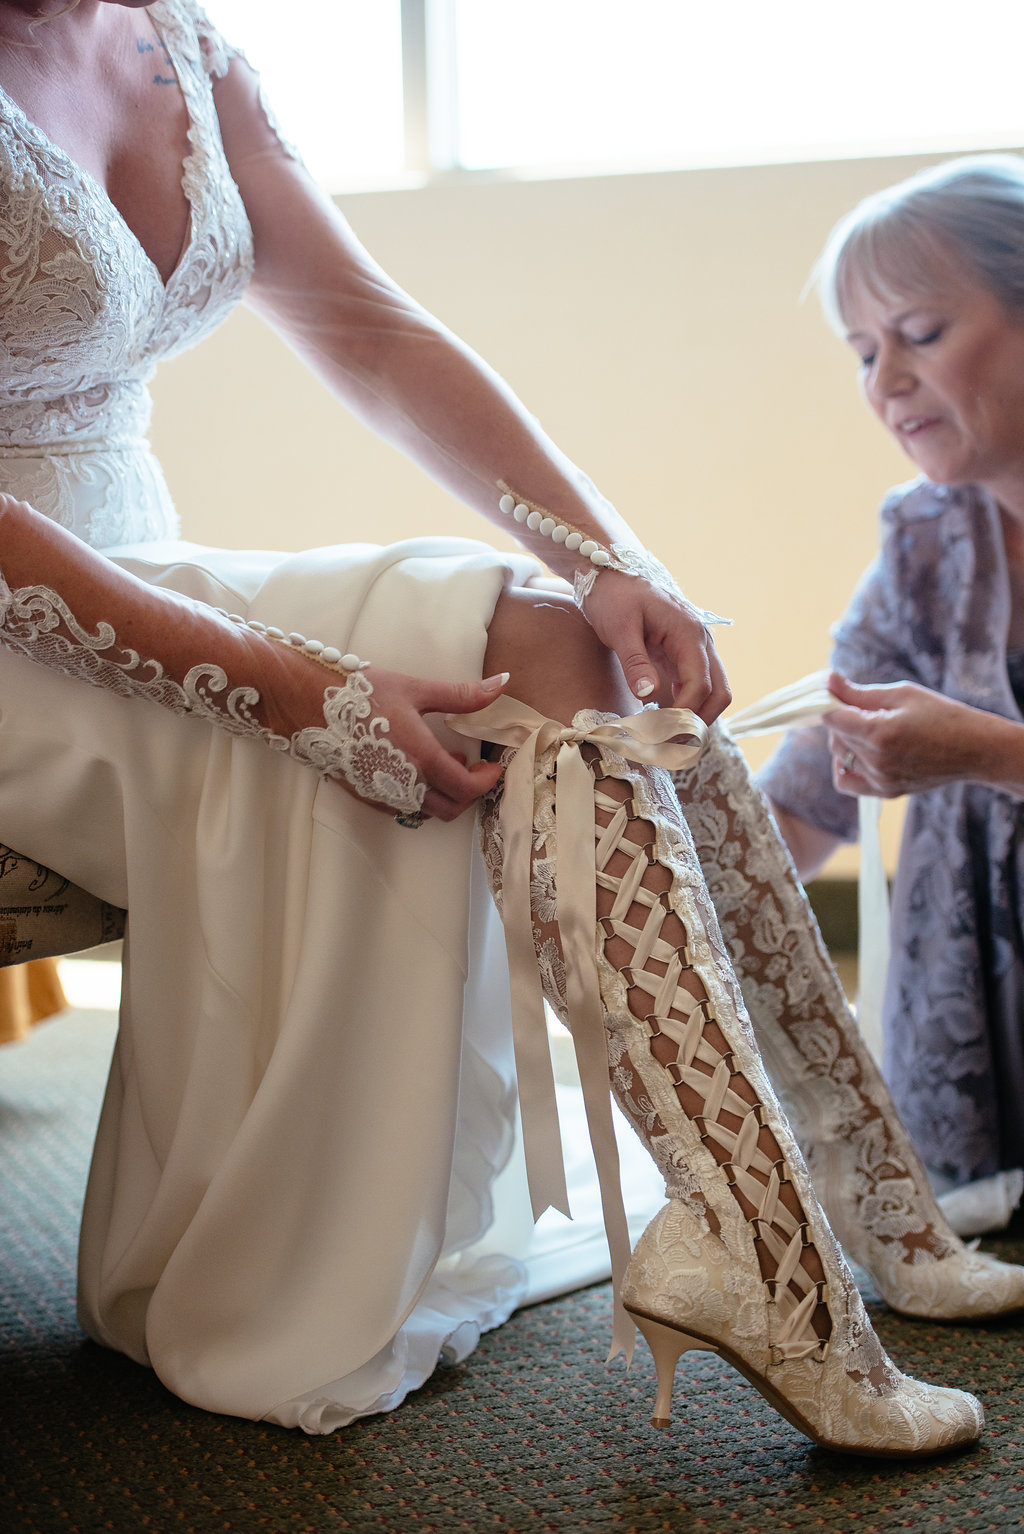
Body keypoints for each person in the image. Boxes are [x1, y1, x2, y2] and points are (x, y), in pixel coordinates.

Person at [0, 0, 1015, 1455]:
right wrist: (296, 687)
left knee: (569, 641)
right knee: (473, 662)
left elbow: (375, 331)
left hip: (139, 559)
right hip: (23, 625)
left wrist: (618, 563)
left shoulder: (180, 43)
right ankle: (790, 1257)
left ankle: (831, 1205)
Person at [760, 154, 1024, 1203]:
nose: (884, 381)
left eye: (919, 334)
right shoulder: (924, 539)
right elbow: (810, 778)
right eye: (862, 352)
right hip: (976, 1023)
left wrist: (987, 752)